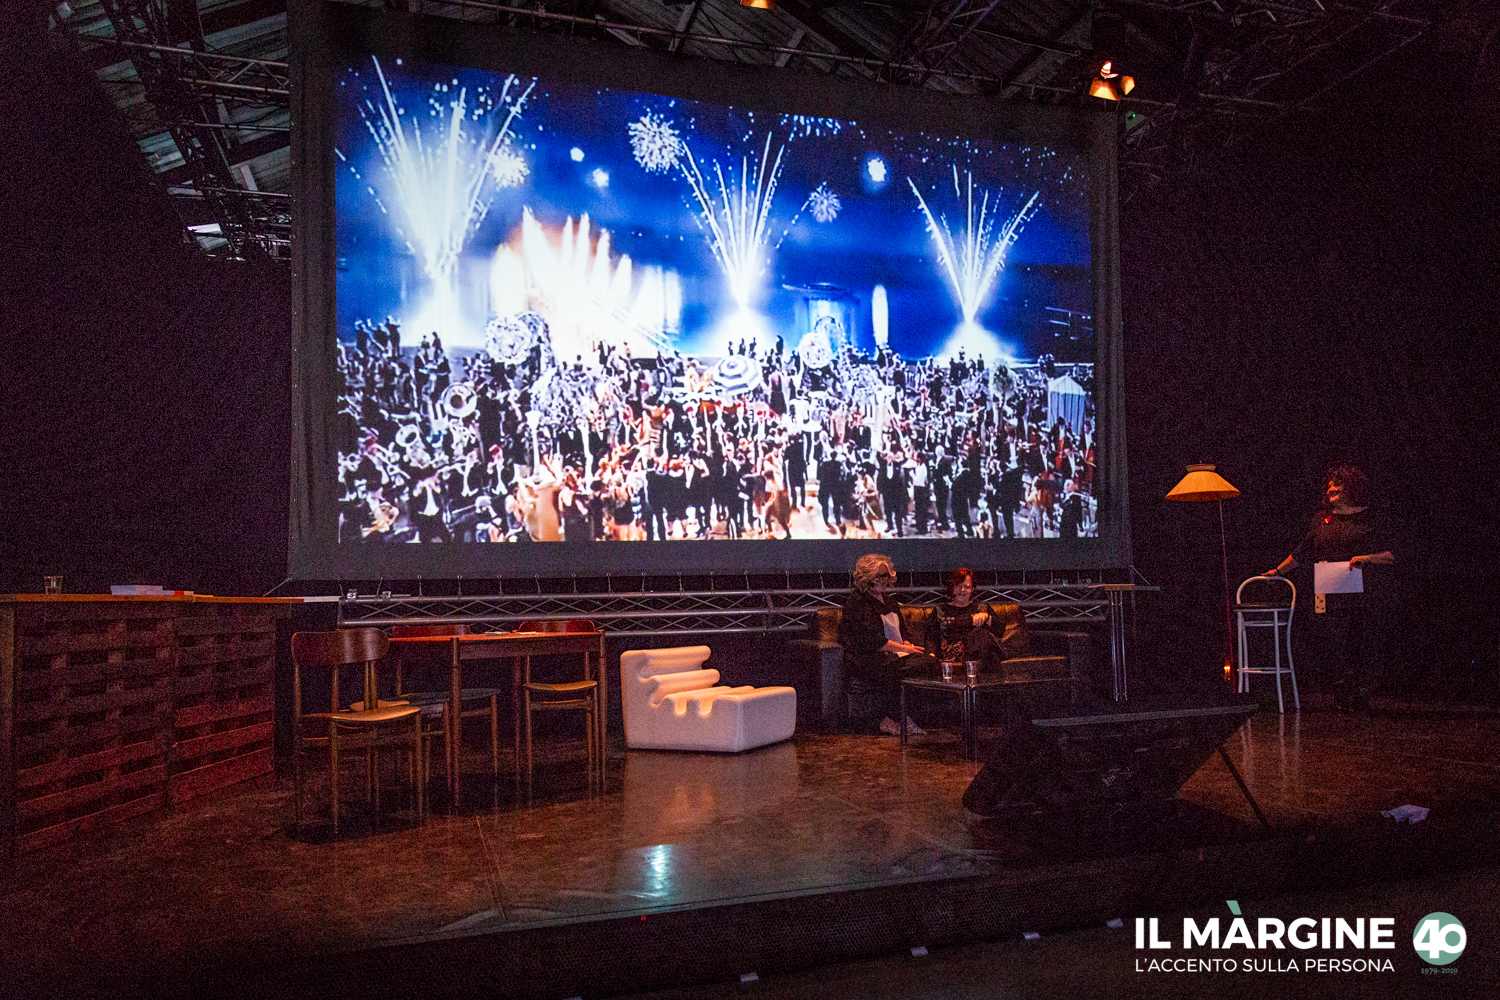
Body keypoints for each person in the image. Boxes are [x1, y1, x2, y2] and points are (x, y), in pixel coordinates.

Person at [1265, 464, 1394, 713]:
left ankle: (1359, 691)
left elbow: (1392, 554)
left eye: (1337, 485)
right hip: (1330, 591)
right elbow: (1302, 551)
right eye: (1329, 485)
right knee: (1333, 642)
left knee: (1360, 641)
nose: (1330, 489)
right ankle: (1342, 691)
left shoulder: (1370, 518)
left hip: (1365, 593)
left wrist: (1367, 558)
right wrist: (1278, 572)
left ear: (1352, 488)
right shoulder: (1322, 519)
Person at [837, 554, 938, 735]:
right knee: (914, 665)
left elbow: (902, 630)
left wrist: (906, 643)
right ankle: (891, 719)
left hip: (893, 654)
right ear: (867, 578)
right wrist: (903, 649)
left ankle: (904, 717)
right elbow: (870, 639)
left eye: (885, 576)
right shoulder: (857, 602)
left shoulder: (889, 601)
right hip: (867, 658)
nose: (883, 580)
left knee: (927, 662)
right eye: (878, 576)